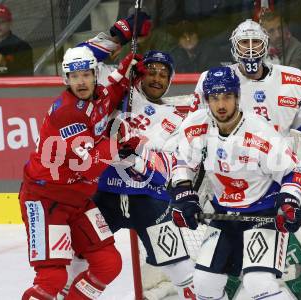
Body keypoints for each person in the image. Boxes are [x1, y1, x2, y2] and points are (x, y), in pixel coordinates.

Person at [192, 19, 301, 299]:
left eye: (255, 43)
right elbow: (196, 130)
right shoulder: (215, 79)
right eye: (244, 43)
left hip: (279, 180)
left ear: (266, 45)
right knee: (220, 268)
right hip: (228, 181)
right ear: (233, 46)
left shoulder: (293, 79)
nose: (250, 50)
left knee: (292, 254)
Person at [18, 46, 143, 299]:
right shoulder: (67, 112)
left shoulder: (97, 96)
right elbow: (88, 164)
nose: (81, 81)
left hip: (77, 200)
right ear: (66, 79)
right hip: (45, 200)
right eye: (74, 77)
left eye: (86, 74)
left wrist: (127, 70)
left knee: (108, 263)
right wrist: (118, 143)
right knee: (52, 278)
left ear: (95, 75)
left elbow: (113, 93)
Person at [170, 66, 301, 300]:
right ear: (206, 99)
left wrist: (289, 204)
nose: (221, 105)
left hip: (263, 212)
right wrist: (183, 194)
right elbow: (182, 162)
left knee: (258, 283)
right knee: (203, 284)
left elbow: (293, 172)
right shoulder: (194, 126)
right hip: (224, 214)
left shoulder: (260, 132)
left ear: (238, 97)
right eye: (214, 98)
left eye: (227, 97)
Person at [93, 50, 198, 299]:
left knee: (179, 265)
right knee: (80, 256)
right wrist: (119, 52)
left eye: (164, 74)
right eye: (151, 71)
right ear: (140, 74)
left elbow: (169, 167)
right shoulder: (118, 95)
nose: (157, 78)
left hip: (150, 202)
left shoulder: (178, 118)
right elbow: (86, 66)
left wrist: (137, 153)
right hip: (105, 196)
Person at [0, 4, 33, 76]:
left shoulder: (22, 46)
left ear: (10, 23)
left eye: (1, 22)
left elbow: (27, 74)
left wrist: (3, 62)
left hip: (13, 87)